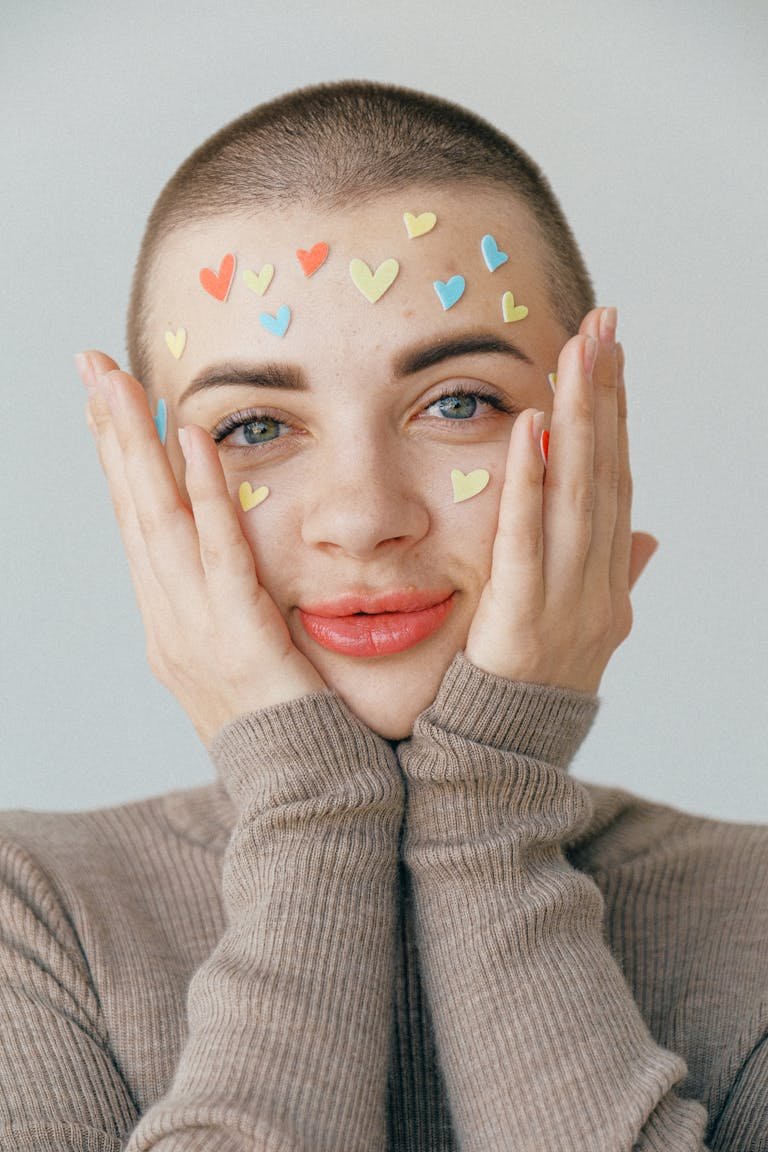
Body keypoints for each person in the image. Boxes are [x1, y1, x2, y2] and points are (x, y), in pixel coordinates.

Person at [0, 81, 765, 1151]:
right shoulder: (35, 916)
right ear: (149, 488)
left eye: (459, 404)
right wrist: (313, 807)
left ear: (598, 445)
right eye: (254, 425)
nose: (363, 519)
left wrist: (490, 807)